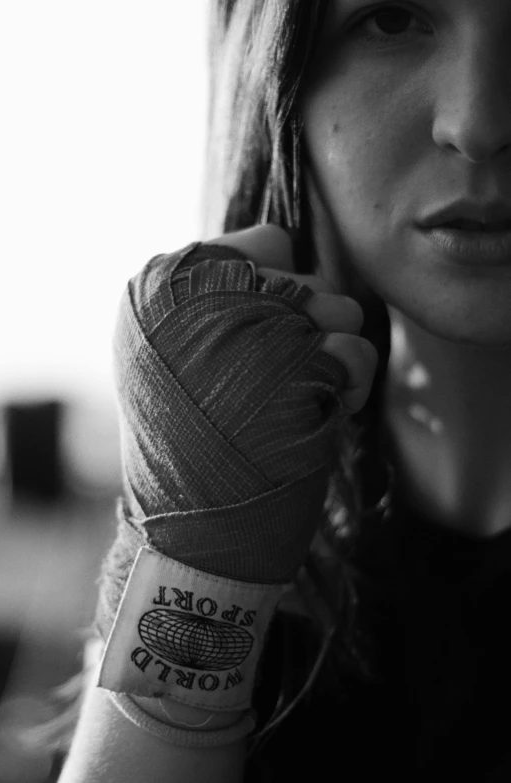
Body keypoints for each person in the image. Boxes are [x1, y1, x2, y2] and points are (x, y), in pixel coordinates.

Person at [58, 0, 511, 780]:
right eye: (393, 18)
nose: (479, 122)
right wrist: (197, 545)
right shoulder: (237, 486)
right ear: (281, 82)